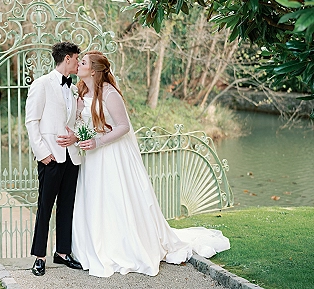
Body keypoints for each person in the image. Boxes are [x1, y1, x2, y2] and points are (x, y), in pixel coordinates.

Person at [71, 51, 230, 278]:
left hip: (110, 154)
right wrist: (80, 137)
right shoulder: (81, 92)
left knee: (116, 198)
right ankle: (94, 245)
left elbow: (123, 126)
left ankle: (123, 247)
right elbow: (79, 122)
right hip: (92, 159)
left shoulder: (109, 93)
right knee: (95, 199)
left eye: (83, 62)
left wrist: (98, 142)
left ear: (94, 71)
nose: (78, 64)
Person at [25, 42, 84, 276]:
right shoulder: (41, 84)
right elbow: (32, 121)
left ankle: (62, 252)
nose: (79, 63)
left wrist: (75, 137)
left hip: (71, 156)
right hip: (50, 157)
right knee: (45, 206)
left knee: (67, 205)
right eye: (77, 59)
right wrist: (43, 153)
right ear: (67, 59)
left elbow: (76, 120)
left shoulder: (74, 88)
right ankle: (39, 256)